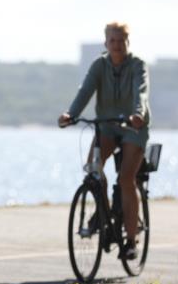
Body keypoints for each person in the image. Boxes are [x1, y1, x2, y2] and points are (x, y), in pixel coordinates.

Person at [58, 22, 151, 261]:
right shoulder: (99, 65)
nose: (117, 45)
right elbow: (85, 91)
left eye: (121, 41)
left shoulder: (137, 65)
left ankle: (131, 241)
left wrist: (138, 114)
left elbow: (141, 91)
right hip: (107, 125)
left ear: (127, 42)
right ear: (106, 43)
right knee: (94, 169)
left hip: (133, 126)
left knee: (126, 178)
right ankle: (103, 214)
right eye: (112, 41)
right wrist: (70, 114)